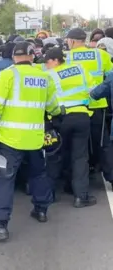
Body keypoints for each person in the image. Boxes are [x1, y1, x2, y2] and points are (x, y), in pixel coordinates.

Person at [0, 42, 61, 242]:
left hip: (10, 139)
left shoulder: (7, 75)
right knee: (38, 174)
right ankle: (41, 210)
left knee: (4, 180)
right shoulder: (44, 76)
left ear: (14, 57)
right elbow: (52, 106)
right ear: (32, 57)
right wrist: (58, 113)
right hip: (35, 138)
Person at [44, 48, 97, 207]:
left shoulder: (49, 76)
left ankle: (49, 195)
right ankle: (80, 196)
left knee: (56, 155)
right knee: (80, 157)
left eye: (47, 62)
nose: (46, 66)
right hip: (82, 115)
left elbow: (47, 99)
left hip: (60, 118)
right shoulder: (80, 68)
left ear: (55, 60)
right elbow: (93, 89)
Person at [64, 28, 113, 187]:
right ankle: (111, 177)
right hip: (97, 105)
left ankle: (77, 183)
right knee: (102, 144)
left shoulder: (67, 57)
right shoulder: (101, 55)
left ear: (71, 41)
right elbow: (110, 78)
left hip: (76, 107)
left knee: (78, 147)